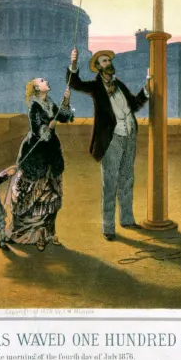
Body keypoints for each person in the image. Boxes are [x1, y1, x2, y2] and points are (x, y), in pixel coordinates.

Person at [67, 48, 150, 241]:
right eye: (104, 61)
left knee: (127, 179)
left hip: (129, 135)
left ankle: (127, 219)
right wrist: (73, 63)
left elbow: (135, 105)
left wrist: (146, 89)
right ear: (97, 67)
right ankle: (108, 227)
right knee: (110, 184)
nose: (108, 63)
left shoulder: (118, 84)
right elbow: (74, 83)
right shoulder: (95, 87)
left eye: (109, 60)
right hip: (111, 139)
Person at [7, 77, 74, 251]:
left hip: (51, 155)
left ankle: (47, 234)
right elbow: (39, 132)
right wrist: (47, 128)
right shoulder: (34, 107)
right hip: (36, 156)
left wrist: (66, 101)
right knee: (34, 196)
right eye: (43, 81)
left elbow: (65, 117)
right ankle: (34, 236)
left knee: (51, 195)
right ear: (37, 88)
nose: (47, 82)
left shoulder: (50, 103)